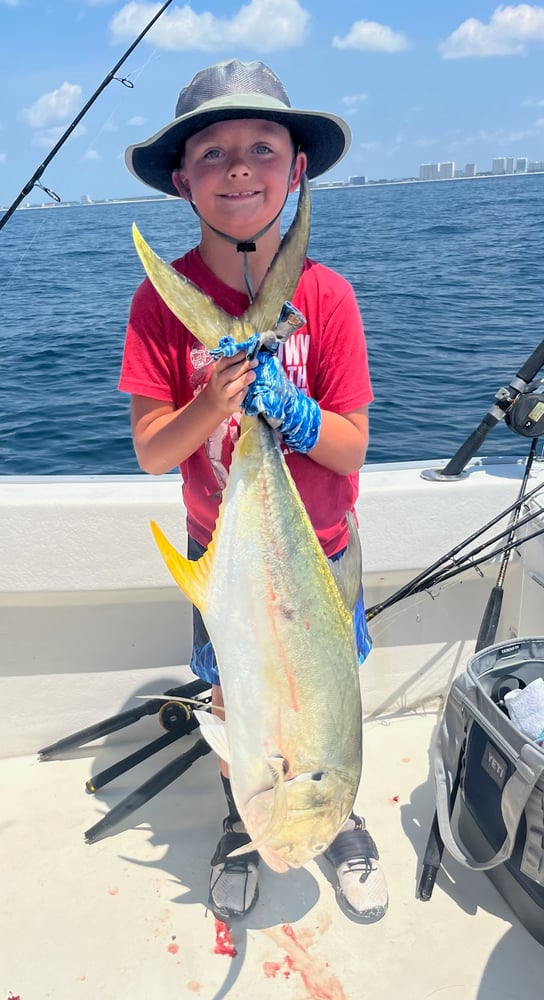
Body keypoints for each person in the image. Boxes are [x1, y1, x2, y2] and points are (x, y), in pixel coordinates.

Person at [119, 58, 388, 924]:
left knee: (328, 698)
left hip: (324, 557)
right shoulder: (160, 310)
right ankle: (245, 823)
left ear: (296, 169)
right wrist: (215, 400)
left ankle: (335, 817)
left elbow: (350, 450)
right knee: (240, 703)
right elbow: (156, 453)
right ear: (181, 179)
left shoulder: (328, 296)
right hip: (224, 559)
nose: (240, 167)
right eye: (215, 153)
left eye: (263, 149)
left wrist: (293, 414)